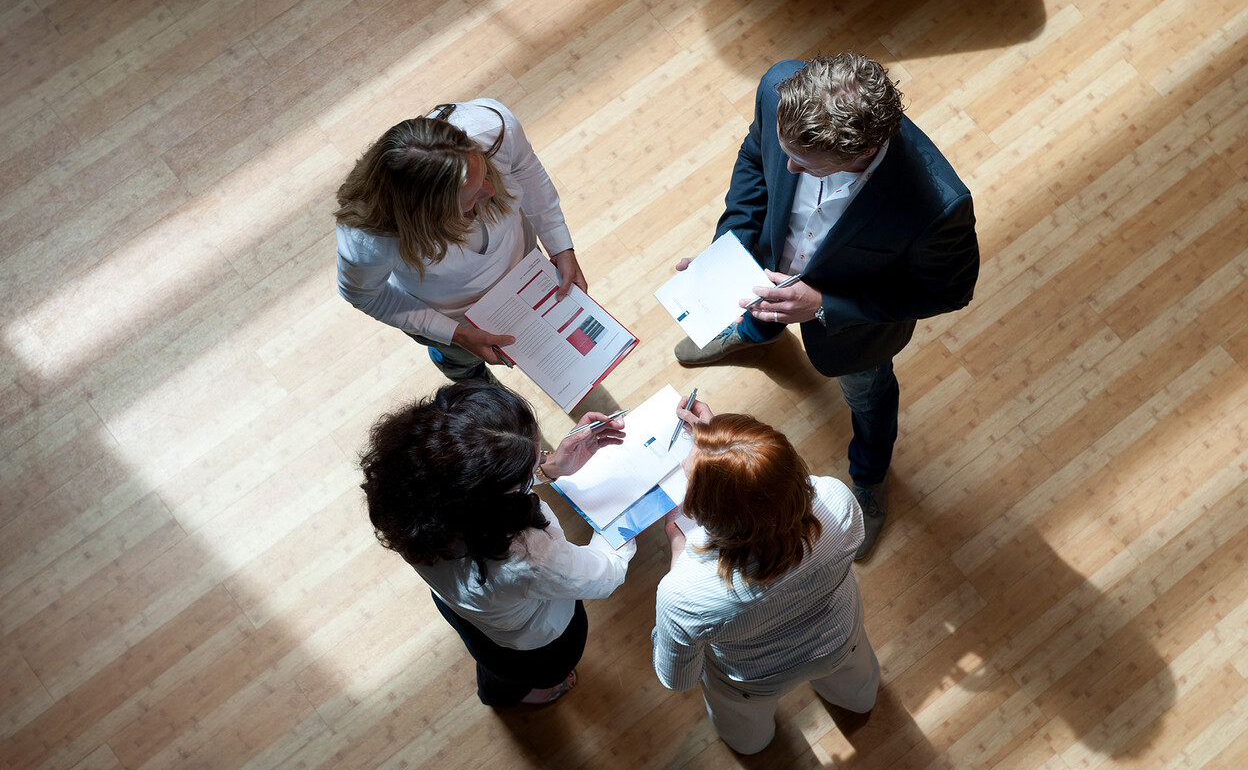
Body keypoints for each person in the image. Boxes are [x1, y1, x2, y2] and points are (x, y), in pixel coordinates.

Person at [673, 53, 979, 559]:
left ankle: (872, 478)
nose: (789, 167)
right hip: (764, 267)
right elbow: (757, 157)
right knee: (754, 312)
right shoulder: (778, 89)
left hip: (851, 334)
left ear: (863, 151)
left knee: (869, 398)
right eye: (788, 151)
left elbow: (948, 291)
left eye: (804, 164)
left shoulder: (937, 205)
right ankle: (753, 334)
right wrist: (730, 247)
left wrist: (822, 305)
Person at [360, 380, 635, 707]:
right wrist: (627, 516)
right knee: (542, 671)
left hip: (461, 609)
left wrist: (553, 467)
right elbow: (605, 575)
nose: (538, 463)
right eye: (526, 472)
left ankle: (497, 696)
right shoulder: (528, 554)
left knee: (494, 671)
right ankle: (541, 691)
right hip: (536, 646)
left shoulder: (408, 491)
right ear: (490, 498)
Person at [651, 397, 880, 754]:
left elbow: (679, 679)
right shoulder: (838, 502)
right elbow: (785, 491)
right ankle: (860, 702)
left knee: (747, 733)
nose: (683, 464)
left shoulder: (683, 594)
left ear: (706, 518)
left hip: (752, 681)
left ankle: (752, 746)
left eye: (688, 477)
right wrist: (732, 449)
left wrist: (678, 565)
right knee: (858, 687)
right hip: (839, 638)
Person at [336, 100, 586, 382]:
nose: (491, 191)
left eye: (484, 175)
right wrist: (456, 335)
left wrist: (559, 244)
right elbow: (364, 295)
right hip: (455, 319)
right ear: (427, 215)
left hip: (527, 272)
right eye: (470, 197)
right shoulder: (369, 240)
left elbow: (524, 168)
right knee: (464, 367)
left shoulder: (491, 129)